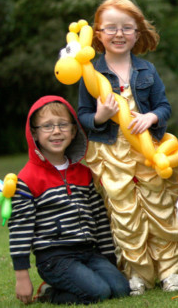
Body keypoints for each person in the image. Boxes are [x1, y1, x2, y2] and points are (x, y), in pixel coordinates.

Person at [77, 0, 178, 295]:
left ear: (137, 32)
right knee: (125, 216)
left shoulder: (146, 69)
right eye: (110, 28)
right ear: (98, 34)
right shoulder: (90, 73)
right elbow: (83, 117)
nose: (119, 34)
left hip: (148, 151)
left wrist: (150, 117)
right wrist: (101, 116)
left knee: (161, 210)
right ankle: (138, 273)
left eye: (127, 27)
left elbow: (164, 107)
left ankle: (169, 270)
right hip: (112, 154)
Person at [8, 96, 130, 304]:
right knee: (99, 292)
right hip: (55, 258)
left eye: (63, 125)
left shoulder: (84, 173)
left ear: (74, 131)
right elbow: (20, 229)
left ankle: (90, 279)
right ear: (34, 133)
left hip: (88, 253)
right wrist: (22, 276)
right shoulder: (28, 179)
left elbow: (100, 219)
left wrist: (109, 261)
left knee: (120, 289)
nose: (56, 131)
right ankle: (49, 292)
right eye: (47, 126)